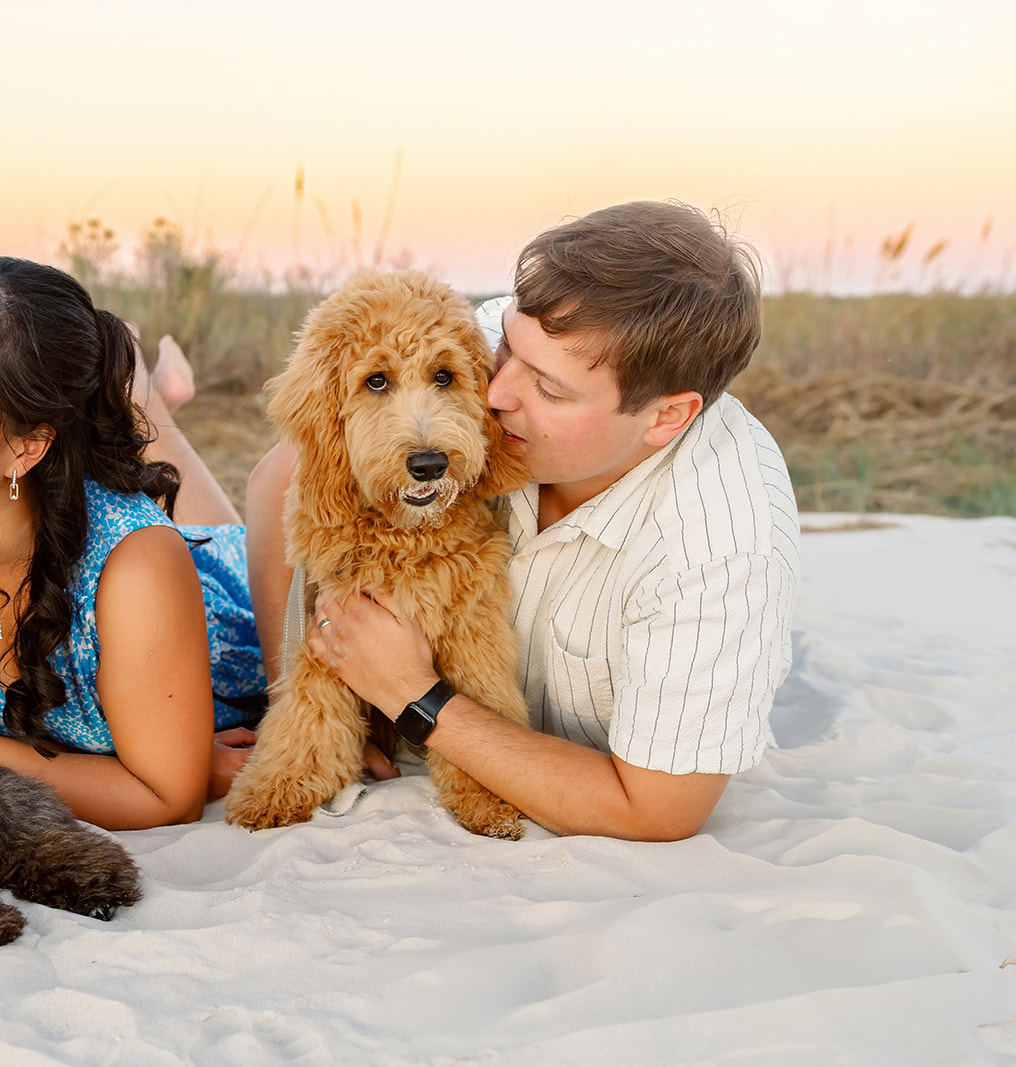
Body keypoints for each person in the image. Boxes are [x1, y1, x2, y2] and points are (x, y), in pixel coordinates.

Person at [245, 200, 801, 842]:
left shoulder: (722, 550)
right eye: (505, 347)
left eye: (550, 390)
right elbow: (281, 476)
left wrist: (410, 694)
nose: (497, 393)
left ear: (665, 418)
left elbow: (655, 810)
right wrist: (307, 669)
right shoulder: (496, 337)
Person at [0, 257, 265, 830]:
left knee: (212, 535)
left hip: (230, 601)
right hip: (74, 515)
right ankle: (148, 397)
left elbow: (168, 799)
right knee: (155, 490)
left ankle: (148, 397)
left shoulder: (135, 566)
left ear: (25, 448)